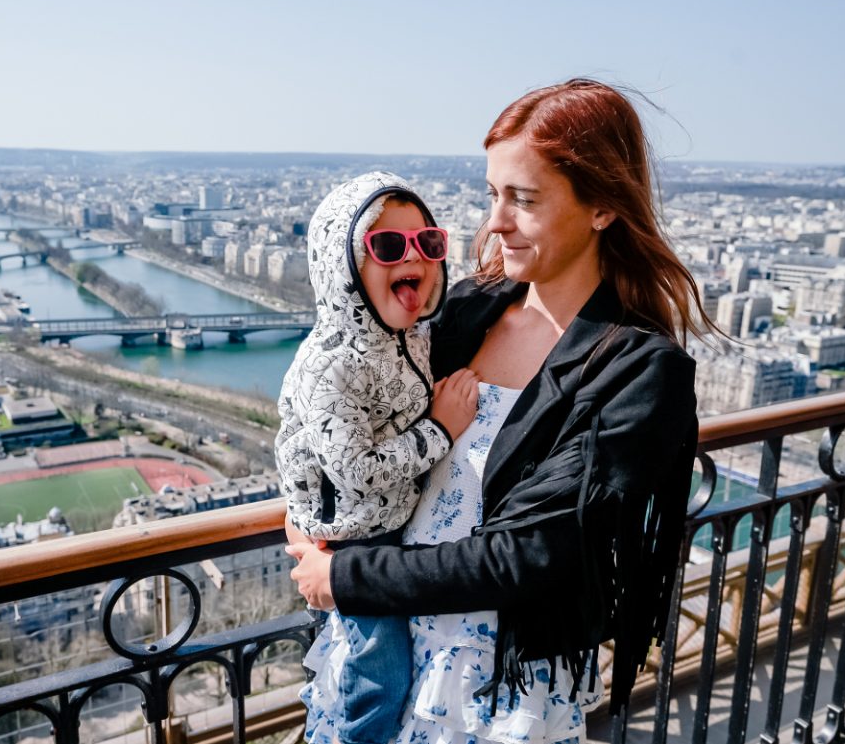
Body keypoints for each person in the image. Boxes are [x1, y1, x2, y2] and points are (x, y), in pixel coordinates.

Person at [289, 79, 713, 744]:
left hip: (495, 683)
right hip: (387, 650)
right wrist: (311, 520)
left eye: (523, 199)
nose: (494, 222)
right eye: (493, 194)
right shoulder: (466, 311)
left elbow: (528, 552)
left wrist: (345, 576)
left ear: (602, 206)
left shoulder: (637, 370)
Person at [276, 171, 479, 744]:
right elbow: (357, 473)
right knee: (378, 678)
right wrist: (442, 428)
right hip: (354, 538)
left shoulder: (410, 333)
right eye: (388, 246)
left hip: (389, 528)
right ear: (343, 265)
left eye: (428, 244)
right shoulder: (329, 366)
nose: (412, 257)